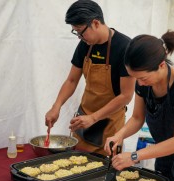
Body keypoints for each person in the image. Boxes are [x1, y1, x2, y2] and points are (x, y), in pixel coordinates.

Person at [45, 0, 135, 155]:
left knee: (102, 172)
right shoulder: (85, 45)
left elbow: (126, 96)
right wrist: (56, 106)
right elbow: (72, 80)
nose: (79, 37)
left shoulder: (125, 47)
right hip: (84, 119)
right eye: (76, 32)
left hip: (109, 123)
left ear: (95, 23)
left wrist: (94, 118)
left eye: (81, 31)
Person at [104, 30, 174, 181]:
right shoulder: (143, 83)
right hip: (164, 157)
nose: (140, 83)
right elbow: (137, 118)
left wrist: (134, 156)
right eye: (136, 78)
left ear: (161, 65)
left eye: (143, 78)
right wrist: (119, 135)